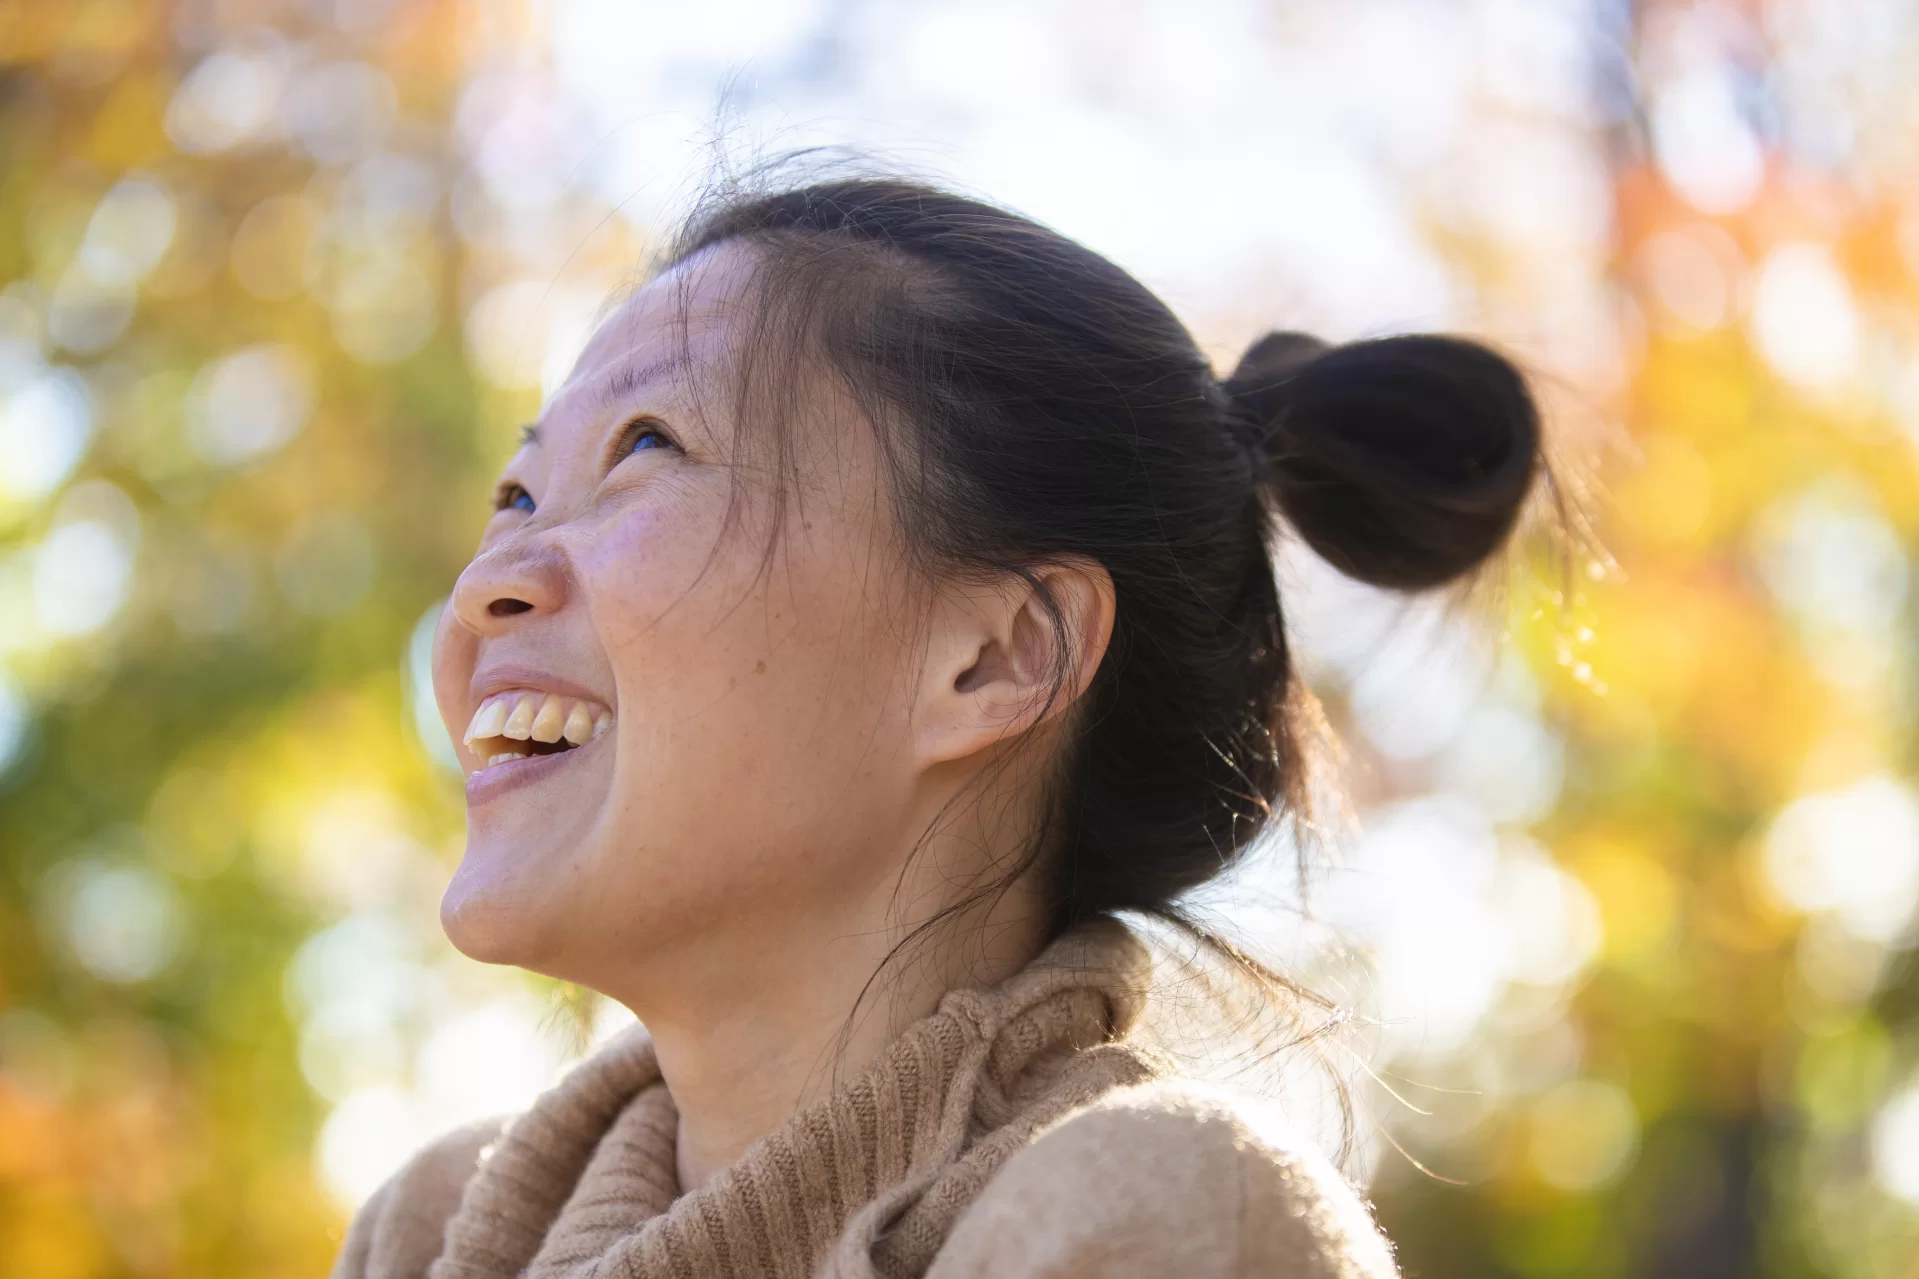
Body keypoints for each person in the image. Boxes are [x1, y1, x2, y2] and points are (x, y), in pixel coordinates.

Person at [330, 174, 1542, 1279]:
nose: (490, 578)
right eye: (517, 491)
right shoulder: (429, 1231)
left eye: (648, 447)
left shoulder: (1146, 1217)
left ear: (993, 657)